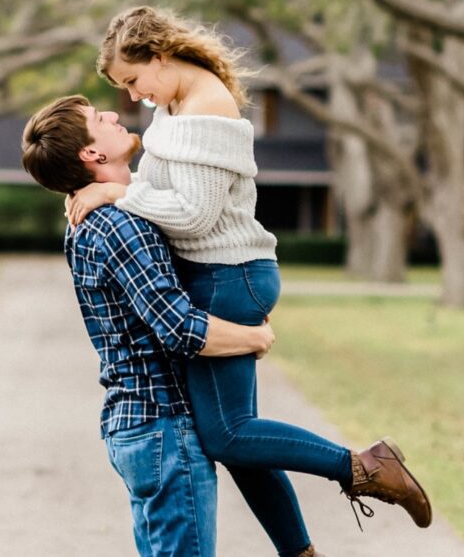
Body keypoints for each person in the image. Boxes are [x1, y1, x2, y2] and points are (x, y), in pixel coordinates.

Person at [65, 6, 432, 555]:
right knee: (239, 437)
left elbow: (195, 216)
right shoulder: (176, 104)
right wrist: (112, 187)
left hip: (226, 274)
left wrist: (117, 192)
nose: (135, 95)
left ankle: (364, 466)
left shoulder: (206, 107)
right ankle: (301, 551)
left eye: (133, 80)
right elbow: (171, 187)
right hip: (218, 273)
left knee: (229, 435)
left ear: (160, 58)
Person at [21, 94, 278, 556]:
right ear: (92, 155)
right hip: (164, 427)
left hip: (138, 427)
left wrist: (119, 189)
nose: (115, 115)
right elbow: (180, 328)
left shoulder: (96, 216)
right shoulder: (121, 226)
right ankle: (357, 470)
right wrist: (254, 337)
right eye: (100, 119)